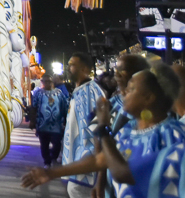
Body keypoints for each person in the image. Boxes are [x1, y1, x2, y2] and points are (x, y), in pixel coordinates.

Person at [22, 61, 185, 198]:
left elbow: (125, 173)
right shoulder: (129, 131)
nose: (125, 91)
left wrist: (102, 128)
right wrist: (52, 173)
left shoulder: (172, 136)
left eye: (133, 88)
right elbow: (101, 159)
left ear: (149, 98)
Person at [60, 53, 109, 197]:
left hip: (86, 164)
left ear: (85, 69)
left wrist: (96, 168)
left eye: (73, 64)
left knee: (76, 191)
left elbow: (97, 130)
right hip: (79, 162)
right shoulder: (81, 91)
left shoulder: (89, 92)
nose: (69, 68)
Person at [31, 74, 68, 168]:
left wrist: (65, 120)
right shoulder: (38, 93)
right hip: (42, 124)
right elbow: (34, 107)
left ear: (52, 82)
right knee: (44, 145)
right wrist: (33, 121)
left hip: (56, 125)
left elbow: (64, 106)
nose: (48, 83)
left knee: (57, 144)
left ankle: (53, 157)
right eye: (45, 81)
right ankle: (47, 162)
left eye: (49, 81)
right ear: (42, 82)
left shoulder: (59, 93)